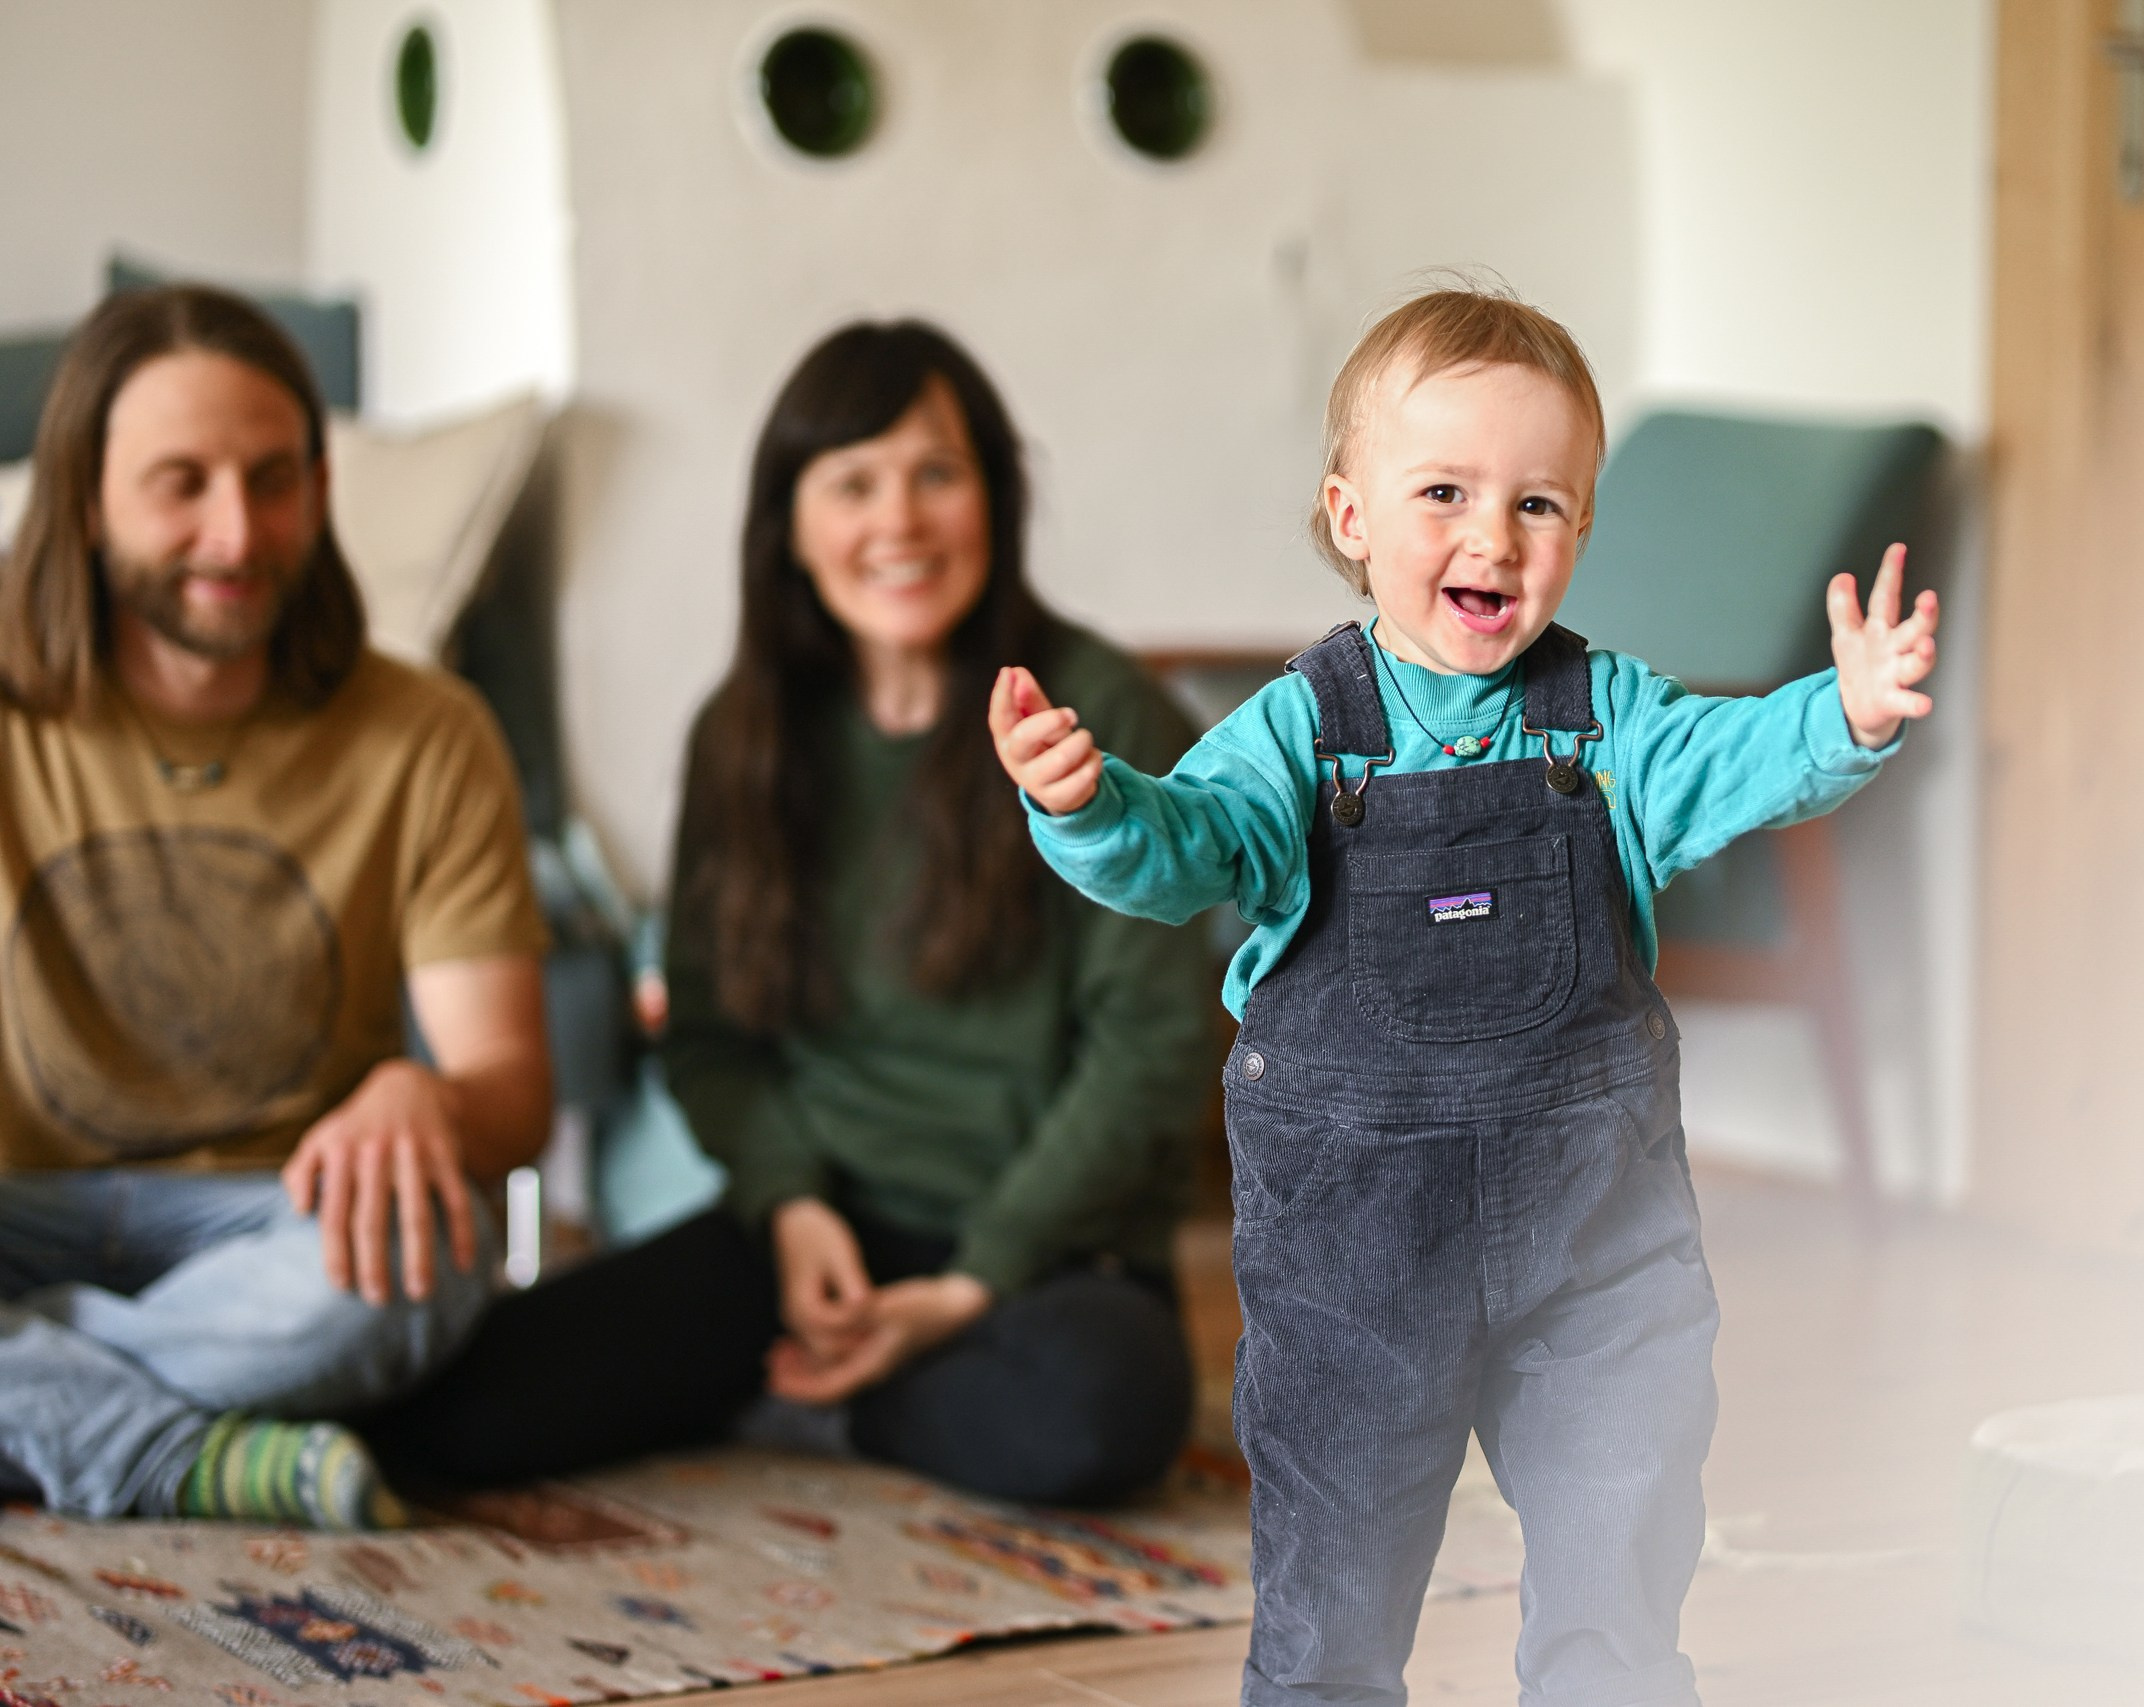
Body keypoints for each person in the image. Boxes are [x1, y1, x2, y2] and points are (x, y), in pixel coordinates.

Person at [990, 286, 1940, 1706]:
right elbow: (1185, 847)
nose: (1495, 536)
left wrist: (1845, 712)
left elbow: (1739, 759)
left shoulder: (1610, 719)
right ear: (1351, 514)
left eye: (1541, 503)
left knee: (1621, 1559)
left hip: (1597, 1242)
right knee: (1334, 1596)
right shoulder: (1301, 730)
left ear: (1583, 529)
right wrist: (1090, 804)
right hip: (1354, 1255)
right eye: (1445, 491)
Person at [366, 321, 1216, 1506]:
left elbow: (1154, 1049)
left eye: (936, 475)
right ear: (791, 523)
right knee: (460, 1412)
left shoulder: (1102, 715)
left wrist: (972, 1282)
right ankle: (813, 1363)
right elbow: (712, 1036)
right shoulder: (746, 733)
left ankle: (820, 1395)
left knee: (1095, 1421)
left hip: (1050, 1256)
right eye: (852, 483)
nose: (898, 523)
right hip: (811, 1233)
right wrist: (791, 1206)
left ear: (997, 500)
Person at [0, 285, 552, 1529]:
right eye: (180, 482)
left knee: (439, 1250)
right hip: (19, 1199)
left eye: (273, 477)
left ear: (320, 485)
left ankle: (43, 1396)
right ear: (85, 499)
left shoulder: (427, 733)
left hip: (283, 1222)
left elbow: (510, 1096)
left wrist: (429, 1096)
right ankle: (182, 1457)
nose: (237, 533)